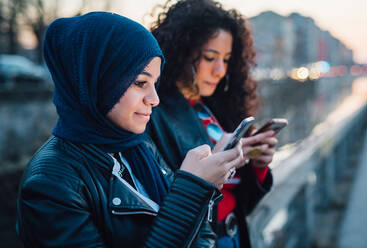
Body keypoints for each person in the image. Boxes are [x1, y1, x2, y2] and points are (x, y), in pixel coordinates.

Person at [16, 12, 246, 247]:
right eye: (140, 83)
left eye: (155, 83)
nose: (154, 99)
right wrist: (192, 190)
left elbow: (203, 237)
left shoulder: (138, 144)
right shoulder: (49, 184)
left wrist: (199, 189)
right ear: (97, 80)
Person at [147, 1, 278, 247]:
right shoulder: (154, 113)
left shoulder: (216, 107)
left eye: (226, 59)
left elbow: (241, 202)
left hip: (233, 234)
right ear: (180, 51)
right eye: (209, 57)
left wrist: (258, 164)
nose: (220, 70)